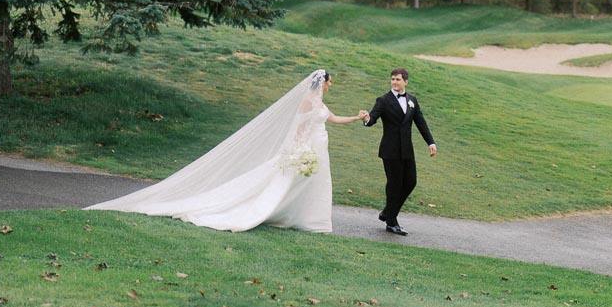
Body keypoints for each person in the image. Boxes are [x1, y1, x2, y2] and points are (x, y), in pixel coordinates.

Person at [86, 69, 367, 233]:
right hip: (305, 148)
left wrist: (356, 118)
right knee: (283, 182)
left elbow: (332, 119)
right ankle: (266, 211)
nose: (331, 85)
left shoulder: (319, 101)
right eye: (330, 82)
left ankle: (304, 218)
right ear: (323, 82)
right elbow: (298, 127)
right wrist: (298, 149)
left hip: (319, 148)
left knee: (310, 185)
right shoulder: (307, 101)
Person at [363, 67, 436, 236]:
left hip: (407, 150)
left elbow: (421, 123)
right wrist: (367, 119)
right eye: (392, 79)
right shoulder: (383, 100)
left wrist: (431, 142)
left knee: (410, 182)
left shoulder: (412, 100)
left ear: (406, 82)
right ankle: (391, 222)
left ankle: (388, 211)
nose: (394, 82)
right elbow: (372, 119)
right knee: (395, 184)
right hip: (390, 150)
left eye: (398, 79)